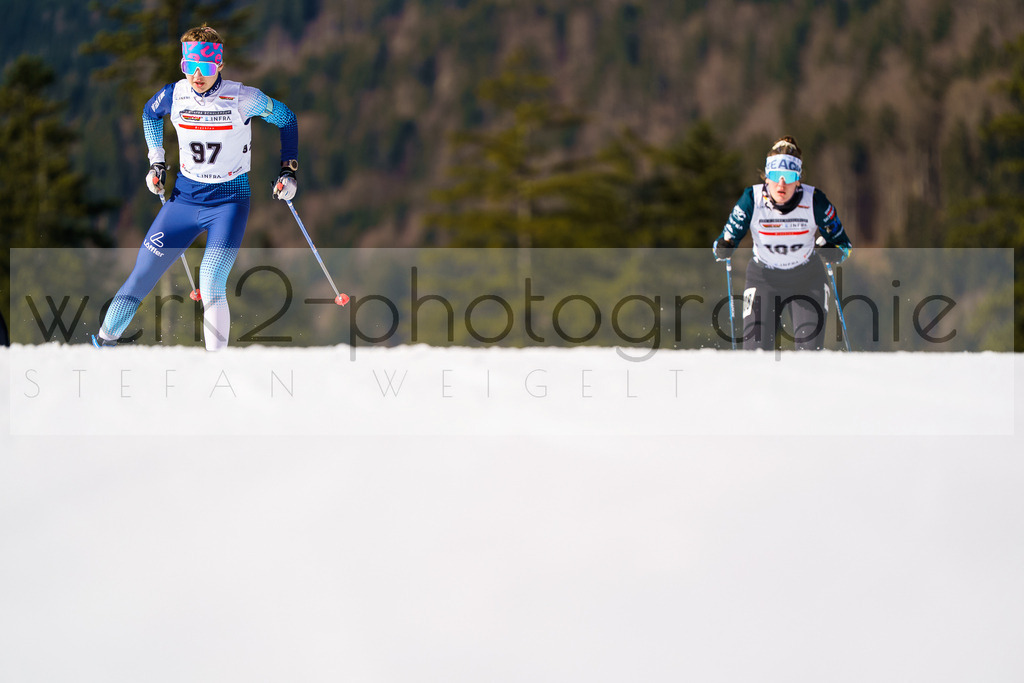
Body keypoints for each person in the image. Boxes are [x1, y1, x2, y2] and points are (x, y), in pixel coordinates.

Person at [92, 25, 298, 350]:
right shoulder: (175, 94)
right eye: (189, 67)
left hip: (229, 204)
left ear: (218, 65)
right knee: (142, 273)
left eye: (204, 67)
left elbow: (286, 118)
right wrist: (156, 161)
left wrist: (288, 171)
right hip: (183, 201)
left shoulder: (243, 98)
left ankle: (215, 370)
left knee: (211, 281)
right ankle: (102, 347)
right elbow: (149, 114)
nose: (196, 76)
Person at [712, 136, 851, 350]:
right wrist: (724, 247)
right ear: (766, 177)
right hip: (763, 279)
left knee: (810, 356)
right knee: (755, 354)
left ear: (798, 179)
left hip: (807, 281)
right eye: (776, 175)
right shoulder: (752, 199)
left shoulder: (815, 201)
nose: (782, 184)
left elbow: (844, 246)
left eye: (788, 175)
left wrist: (834, 252)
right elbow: (721, 244)